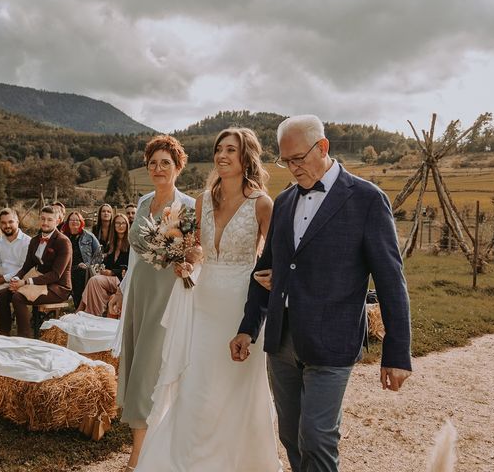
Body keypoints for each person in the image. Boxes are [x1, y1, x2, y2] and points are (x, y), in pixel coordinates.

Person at [230, 115, 412, 472]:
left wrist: (398, 352)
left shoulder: (367, 200)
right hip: (281, 340)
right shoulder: (282, 203)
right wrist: (248, 327)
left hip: (333, 341)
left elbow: (391, 280)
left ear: (323, 147)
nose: (292, 168)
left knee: (316, 436)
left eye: (298, 158)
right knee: (290, 435)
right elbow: (263, 270)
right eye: (286, 160)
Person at [136, 128, 281, 471]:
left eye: (231, 149)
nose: (222, 155)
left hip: (241, 308)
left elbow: (272, 260)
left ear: (247, 156)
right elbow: (198, 248)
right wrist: (186, 260)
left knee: (236, 389)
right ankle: (189, 461)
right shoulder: (203, 200)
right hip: (203, 303)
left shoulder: (262, 204)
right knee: (197, 385)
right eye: (219, 149)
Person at [113, 135, 195, 470]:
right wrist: (123, 290)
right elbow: (135, 257)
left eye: (165, 163)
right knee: (136, 367)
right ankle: (146, 449)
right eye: (152, 163)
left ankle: (138, 459)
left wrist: (190, 261)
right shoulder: (144, 202)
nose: (158, 169)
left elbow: (195, 253)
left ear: (178, 166)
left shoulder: (188, 206)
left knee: (150, 371)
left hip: (169, 297)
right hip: (140, 293)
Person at [0, 206, 72, 338]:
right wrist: (16, 279)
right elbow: (26, 266)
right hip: (39, 283)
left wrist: (26, 282)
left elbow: (56, 275)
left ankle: (24, 337)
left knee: (18, 297)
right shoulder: (35, 240)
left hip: (57, 287)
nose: (45, 223)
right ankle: (4, 334)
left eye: (49, 220)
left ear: (57, 221)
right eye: (42, 219)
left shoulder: (63, 242)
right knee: (2, 294)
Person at [79, 213, 129, 317]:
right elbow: (104, 263)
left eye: (123, 223)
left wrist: (112, 272)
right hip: (110, 279)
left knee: (95, 280)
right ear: (113, 225)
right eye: (117, 223)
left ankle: (87, 311)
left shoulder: (130, 245)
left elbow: (130, 267)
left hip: (123, 279)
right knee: (95, 280)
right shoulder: (110, 244)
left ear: (127, 225)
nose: (120, 225)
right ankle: (94, 313)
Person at [61, 211, 100, 308]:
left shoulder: (89, 236)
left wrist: (89, 265)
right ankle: (80, 308)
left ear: (81, 222)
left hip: (83, 269)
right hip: (66, 268)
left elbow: (98, 253)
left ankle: (80, 307)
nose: (74, 222)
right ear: (68, 222)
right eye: (72, 220)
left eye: (77, 220)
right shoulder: (63, 237)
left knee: (80, 273)